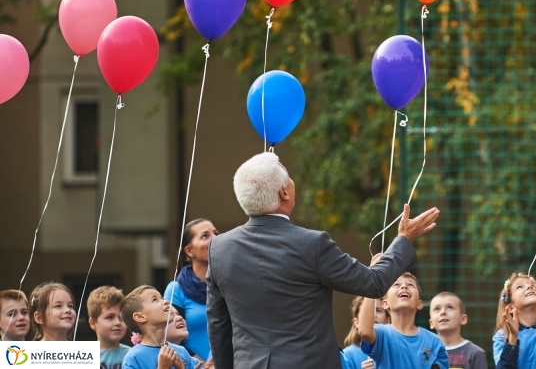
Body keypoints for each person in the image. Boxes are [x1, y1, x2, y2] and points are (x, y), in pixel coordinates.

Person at [206, 152, 440, 369]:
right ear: (283, 193)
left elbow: (218, 326)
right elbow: (373, 282)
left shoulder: (219, 249)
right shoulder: (312, 244)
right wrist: (404, 238)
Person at [357, 272, 449, 368]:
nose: (404, 286)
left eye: (410, 284)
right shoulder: (381, 334)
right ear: (385, 304)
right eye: (396, 284)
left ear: (419, 304)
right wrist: (373, 279)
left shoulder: (434, 341)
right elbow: (364, 331)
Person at [164, 218, 218, 365]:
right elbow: (169, 336)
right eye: (205, 236)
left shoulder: (230, 284)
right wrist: (197, 361)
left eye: (216, 233)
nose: (215, 239)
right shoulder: (176, 290)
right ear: (189, 251)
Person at [121, 285, 195, 369]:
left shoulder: (181, 352)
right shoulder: (133, 358)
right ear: (140, 317)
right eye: (155, 300)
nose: (166, 302)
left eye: (162, 298)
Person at [430, 291, 488, 369]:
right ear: (431, 323)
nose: (443, 312)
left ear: (463, 319)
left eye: (450, 307)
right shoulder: (424, 353)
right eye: (437, 309)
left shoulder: (475, 353)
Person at [341, 296, 391, 369]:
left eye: (378, 310)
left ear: (387, 321)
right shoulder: (347, 355)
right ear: (357, 322)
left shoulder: (395, 350)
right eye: (367, 311)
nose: (373, 315)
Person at [88, 286, 130, 369]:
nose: (117, 322)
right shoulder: (83, 358)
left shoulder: (132, 355)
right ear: (93, 323)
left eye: (121, 317)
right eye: (110, 317)